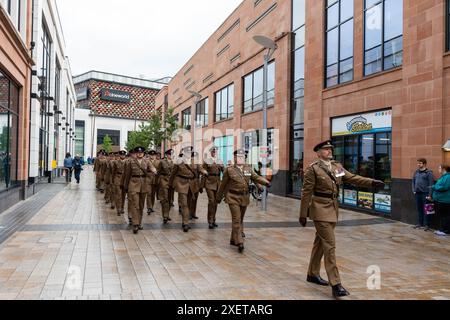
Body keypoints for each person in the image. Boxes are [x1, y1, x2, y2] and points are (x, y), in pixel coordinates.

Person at [299, 140, 385, 298]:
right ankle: (336, 284)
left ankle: (312, 274)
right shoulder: (313, 169)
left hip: (332, 208)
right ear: (318, 153)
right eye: (326, 149)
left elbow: (352, 178)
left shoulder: (336, 167)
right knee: (330, 246)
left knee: (320, 243)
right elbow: (306, 192)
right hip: (320, 210)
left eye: (330, 148)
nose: (329, 151)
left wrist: (371, 182)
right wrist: (303, 214)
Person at [216, 149, 271, 253]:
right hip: (232, 197)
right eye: (238, 156)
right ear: (235, 158)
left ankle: (233, 239)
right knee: (236, 219)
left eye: (242, 157)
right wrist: (218, 198)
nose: (240, 158)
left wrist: (266, 183)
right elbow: (223, 185)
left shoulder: (247, 169)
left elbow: (256, 178)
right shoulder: (229, 170)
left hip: (244, 197)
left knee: (240, 219)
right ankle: (240, 242)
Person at [170, 146, 207, 232]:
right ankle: (185, 223)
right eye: (187, 152)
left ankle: (186, 219)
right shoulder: (179, 161)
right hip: (182, 184)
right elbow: (173, 173)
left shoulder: (195, 161)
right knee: (184, 204)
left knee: (189, 203)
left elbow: (200, 168)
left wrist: (204, 171)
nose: (189, 154)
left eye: (190, 152)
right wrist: (170, 184)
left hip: (192, 184)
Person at [123, 146, 157, 234]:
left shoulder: (147, 161)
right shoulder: (130, 162)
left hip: (144, 185)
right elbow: (127, 175)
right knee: (135, 205)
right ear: (135, 153)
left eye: (141, 152)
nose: (139, 154)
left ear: (143, 153)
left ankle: (139, 222)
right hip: (133, 184)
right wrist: (125, 186)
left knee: (141, 205)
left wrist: (154, 170)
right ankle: (135, 224)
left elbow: (152, 168)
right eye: (138, 153)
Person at [203, 147, 224, 229]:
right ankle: (210, 221)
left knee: (215, 202)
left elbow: (224, 171)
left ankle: (214, 219)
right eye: (212, 151)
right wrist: (204, 172)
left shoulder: (219, 161)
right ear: (210, 152)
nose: (214, 153)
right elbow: (202, 169)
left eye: (215, 151)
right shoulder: (207, 161)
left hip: (217, 183)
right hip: (209, 183)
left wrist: (223, 167)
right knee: (211, 201)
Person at [412, 158, 435, 231]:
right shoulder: (416, 172)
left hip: (425, 194)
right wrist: (414, 190)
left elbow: (431, 184)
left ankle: (427, 225)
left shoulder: (429, 173)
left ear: (424, 164)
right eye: (418, 163)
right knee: (419, 209)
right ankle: (420, 223)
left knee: (427, 210)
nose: (418, 164)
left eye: (420, 163)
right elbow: (413, 181)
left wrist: (430, 195)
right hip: (417, 193)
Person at [429, 164, 450, 236]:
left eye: (439, 168)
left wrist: (434, 186)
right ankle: (442, 229)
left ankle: (445, 231)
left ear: (444, 169)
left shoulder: (448, 177)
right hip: (440, 200)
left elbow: (444, 187)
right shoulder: (443, 177)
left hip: (445, 201)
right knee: (442, 216)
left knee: (445, 216)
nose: (438, 169)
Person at [157, 149, 175, 224]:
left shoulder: (175, 162)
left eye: (172, 154)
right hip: (164, 180)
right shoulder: (162, 162)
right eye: (170, 154)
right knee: (165, 199)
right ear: (167, 155)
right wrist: (158, 181)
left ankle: (167, 214)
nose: (171, 156)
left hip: (172, 181)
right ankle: (165, 215)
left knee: (170, 200)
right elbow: (158, 171)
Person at [111, 150, 128, 217]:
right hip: (118, 178)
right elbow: (113, 171)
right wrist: (113, 180)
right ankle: (118, 209)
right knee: (118, 195)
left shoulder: (128, 162)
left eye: (123, 155)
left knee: (123, 195)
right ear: (119, 155)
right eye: (121, 155)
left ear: (125, 155)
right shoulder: (116, 162)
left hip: (125, 179)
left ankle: (122, 207)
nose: (122, 156)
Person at [145, 150, 159, 215]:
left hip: (155, 179)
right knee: (149, 194)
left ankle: (152, 206)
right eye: (151, 155)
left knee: (153, 194)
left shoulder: (158, 162)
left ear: (155, 155)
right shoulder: (146, 161)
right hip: (148, 179)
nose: (152, 156)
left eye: (153, 155)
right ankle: (149, 207)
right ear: (149, 155)